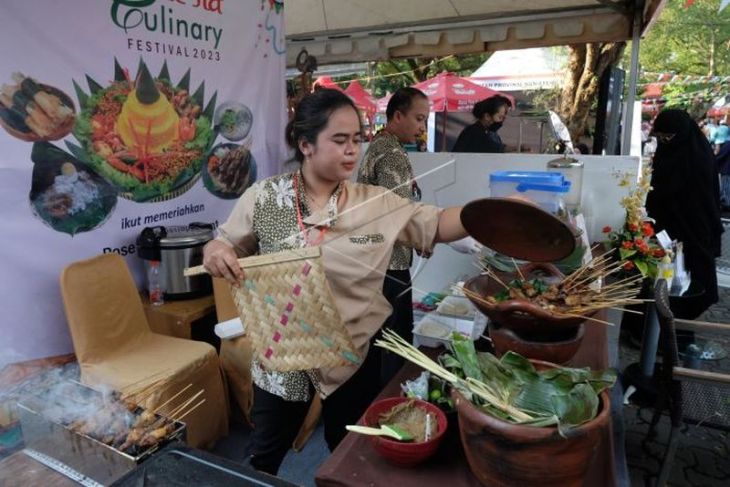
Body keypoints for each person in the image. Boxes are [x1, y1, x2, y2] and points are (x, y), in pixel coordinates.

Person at [202, 89, 469, 475]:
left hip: (350, 351)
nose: (352, 150)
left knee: (349, 451)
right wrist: (216, 250)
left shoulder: (373, 202)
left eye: (357, 140)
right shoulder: (265, 198)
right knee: (263, 456)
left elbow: (437, 223)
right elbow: (225, 241)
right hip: (284, 349)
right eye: (340, 140)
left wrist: (488, 213)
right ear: (306, 144)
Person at [647, 109, 723, 319]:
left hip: (694, 229)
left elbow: (704, 200)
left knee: (695, 284)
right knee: (662, 281)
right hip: (666, 228)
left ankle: (679, 329)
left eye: (668, 137)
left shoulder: (698, 157)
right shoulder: (668, 151)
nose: (664, 142)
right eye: (660, 137)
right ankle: (655, 331)